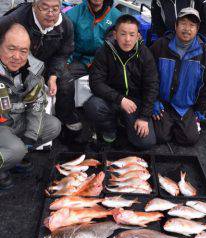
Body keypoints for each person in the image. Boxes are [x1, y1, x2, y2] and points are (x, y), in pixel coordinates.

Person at [0, 0, 81, 134]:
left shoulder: (66, 25)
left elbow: (63, 53)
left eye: (55, 9)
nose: (50, 14)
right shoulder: (14, 19)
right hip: (19, 61)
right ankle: (12, 118)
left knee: (66, 80)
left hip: (48, 62)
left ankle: (66, 116)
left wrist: (53, 75)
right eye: (45, 8)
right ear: (34, 6)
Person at [0, 23, 61, 190]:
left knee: (53, 125)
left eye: (23, 51)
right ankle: (9, 158)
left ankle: (13, 159)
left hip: (15, 121)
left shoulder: (32, 72)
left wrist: (30, 138)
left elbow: (37, 104)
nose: (17, 56)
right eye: (11, 49)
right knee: (15, 149)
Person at [84, 14, 159, 149]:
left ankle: (125, 123)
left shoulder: (145, 54)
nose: (127, 40)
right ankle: (110, 128)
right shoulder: (104, 52)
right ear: (115, 34)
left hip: (135, 103)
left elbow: (151, 86)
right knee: (93, 106)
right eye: (123, 34)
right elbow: (95, 83)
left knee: (145, 142)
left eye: (132, 34)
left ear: (138, 36)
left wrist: (144, 117)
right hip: (112, 99)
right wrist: (120, 99)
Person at [150, 7, 206, 146]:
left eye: (192, 25)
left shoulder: (204, 54)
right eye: (183, 23)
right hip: (163, 104)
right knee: (160, 137)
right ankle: (168, 125)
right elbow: (149, 77)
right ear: (176, 25)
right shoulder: (160, 46)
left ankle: (183, 123)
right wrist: (153, 100)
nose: (187, 29)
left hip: (185, 106)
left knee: (189, 139)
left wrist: (200, 109)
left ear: (197, 29)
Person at [65, 0, 121, 77]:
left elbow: (118, 46)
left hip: (104, 62)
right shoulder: (72, 14)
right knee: (63, 76)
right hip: (80, 61)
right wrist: (66, 63)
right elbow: (66, 44)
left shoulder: (117, 16)